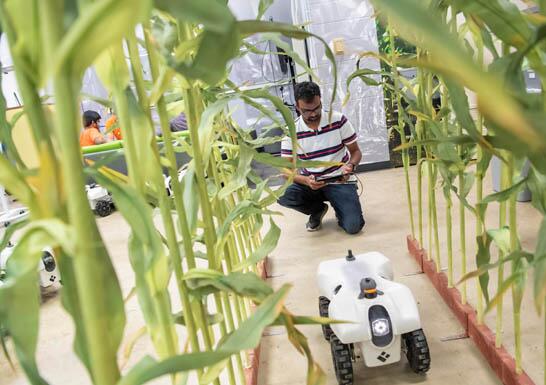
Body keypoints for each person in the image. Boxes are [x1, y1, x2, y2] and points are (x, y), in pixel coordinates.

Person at [278, 81, 365, 234]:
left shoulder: (338, 120)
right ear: (297, 107)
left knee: (353, 227)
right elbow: (284, 170)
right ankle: (317, 209)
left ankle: (341, 207)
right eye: (306, 110)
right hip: (309, 181)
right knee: (283, 195)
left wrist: (350, 167)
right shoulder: (290, 131)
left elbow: (356, 152)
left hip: (339, 179)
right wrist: (305, 181)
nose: (313, 114)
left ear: (320, 101)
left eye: (316, 108)